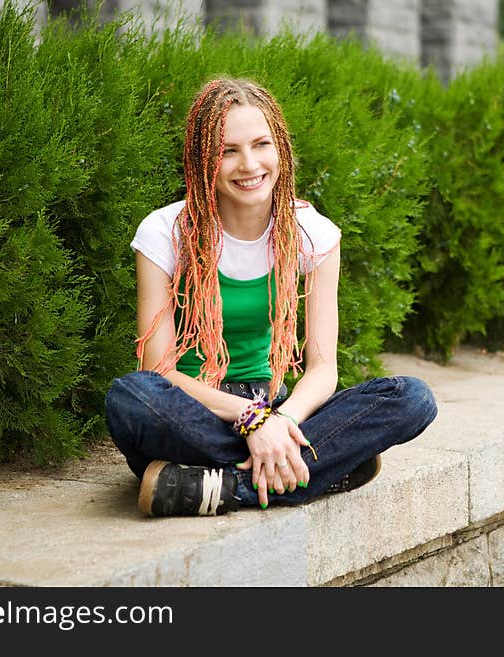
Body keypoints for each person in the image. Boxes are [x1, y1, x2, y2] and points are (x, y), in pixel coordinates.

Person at [105, 78, 437, 517]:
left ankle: (220, 486)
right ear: (203, 158)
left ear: (280, 147)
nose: (249, 164)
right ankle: (309, 471)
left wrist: (279, 421)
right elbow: (158, 369)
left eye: (261, 144)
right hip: (196, 412)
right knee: (130, 397)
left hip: (277, 406)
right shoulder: (165, 233)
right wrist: (251, 421)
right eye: (228, 151)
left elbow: (322, 370)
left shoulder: (310, 234)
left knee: (412, 398)